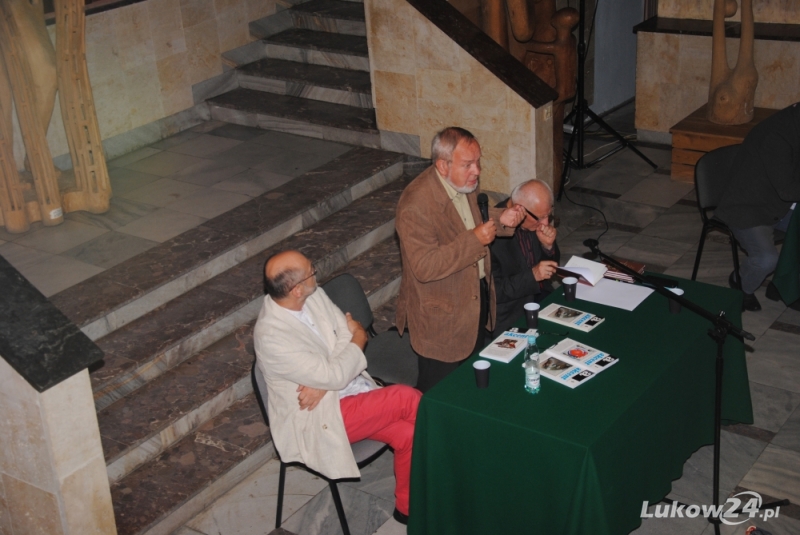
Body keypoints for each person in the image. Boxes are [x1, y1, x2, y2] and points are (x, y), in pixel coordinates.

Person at [253, 250, 421, 525]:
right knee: (407, 399)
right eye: (311, 270)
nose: (315, 272)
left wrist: (328, 380)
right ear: (296, 290)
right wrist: (356, 340)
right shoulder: (272, 337)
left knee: (409, 434)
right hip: (318, 416)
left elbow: (344, 336)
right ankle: (461, 460)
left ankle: (407, 508)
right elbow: (351, 339)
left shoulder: (313, 295)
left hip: (346, 391)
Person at [395, 127, 526, 392]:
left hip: (473, 301)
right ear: (443, 166)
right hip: (441, 321)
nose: (476, 171)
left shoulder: (462, 183)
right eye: (468, 164)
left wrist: (500, 219)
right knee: (440, 393)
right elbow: (425, 266)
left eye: (478, 162)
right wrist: (475, 240)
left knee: (470, 385)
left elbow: (469, 219)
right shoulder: (415, 205)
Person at [715, 102, 800, 312]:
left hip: (780, 205)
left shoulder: (795, 122)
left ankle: (783, 285)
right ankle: (741, 282)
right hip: (749, 208)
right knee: (766, 259)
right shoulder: (776, 135)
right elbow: (788, 190)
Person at [490, 179, 560, 336]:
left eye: (548, 216)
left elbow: (552, 267)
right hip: (511, 313)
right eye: (540, 218)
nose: (545, 223)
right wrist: (532, 276)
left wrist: (548, 247)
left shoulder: (534, 219)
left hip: (541, 297)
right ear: (519, 209)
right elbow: (493, 291)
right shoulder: (492, 233)